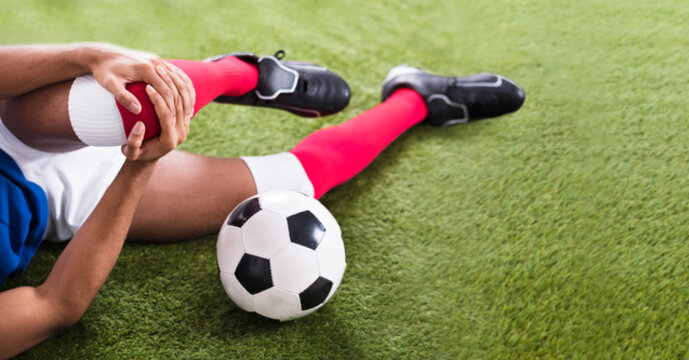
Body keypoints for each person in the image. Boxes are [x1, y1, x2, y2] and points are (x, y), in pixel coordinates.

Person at [0, 42, 525, 356]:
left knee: (138, 104)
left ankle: (240, 73)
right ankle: (417, 98)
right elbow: (54, 306)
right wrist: (137, 170)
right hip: (58, 201)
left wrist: (88, 56)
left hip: (16, 121)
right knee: (298, 180)